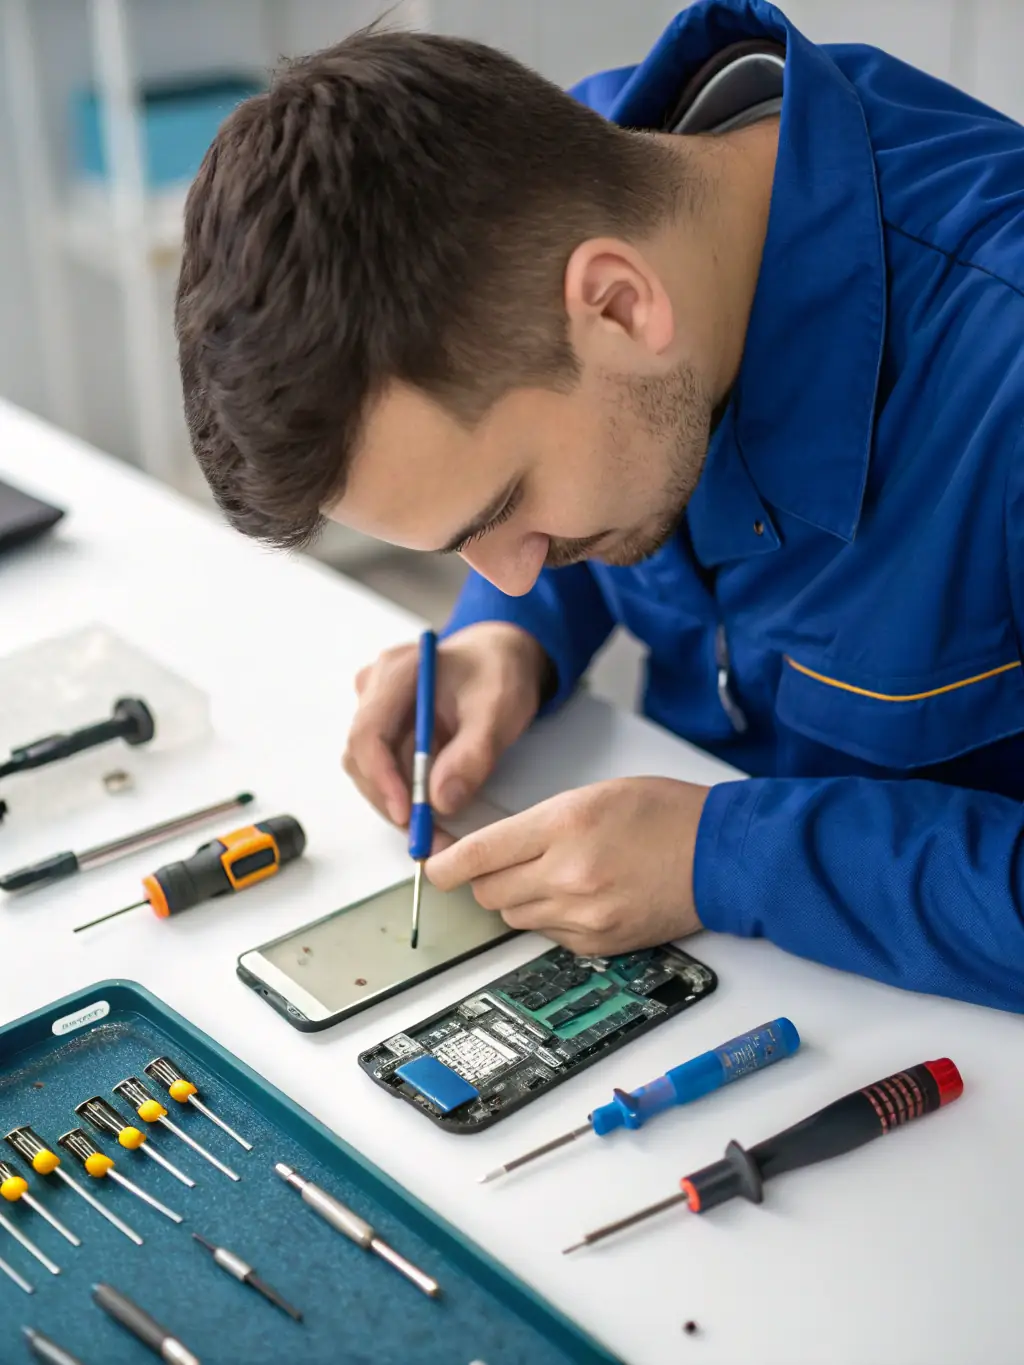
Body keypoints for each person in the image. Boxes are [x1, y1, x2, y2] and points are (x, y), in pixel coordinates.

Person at [175, 0, 1024, 1012]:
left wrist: (728, 860)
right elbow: (601, 470)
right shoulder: (592, 179)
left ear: (621, 305)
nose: (514, 566)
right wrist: (508, 639)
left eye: (502, 505)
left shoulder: (1001, 369)